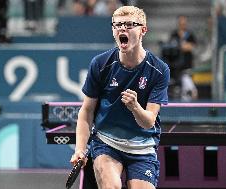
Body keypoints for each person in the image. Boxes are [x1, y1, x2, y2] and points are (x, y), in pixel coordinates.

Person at [70, 5, 170, 189]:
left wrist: (135, 107)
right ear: (113, 30)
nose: (122, 29)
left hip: (143, 147)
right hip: (106, 143)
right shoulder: (101, 64)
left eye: (129, 24)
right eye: (117, 25)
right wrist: (80, 149)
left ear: (143, 30)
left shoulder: (159, 69)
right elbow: (86, 111)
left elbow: (148, 122)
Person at [167, 15, 198, 100]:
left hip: (187, 65)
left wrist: (181, 46)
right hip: (175, 66)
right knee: (179, 88)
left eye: (184, 22)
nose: (183, 24)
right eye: (181, 22)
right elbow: (171, 47)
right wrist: (182, 46)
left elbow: (192, 46)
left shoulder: (190, 34)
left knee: (189, 89)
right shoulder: (174, 34)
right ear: (178, 23)